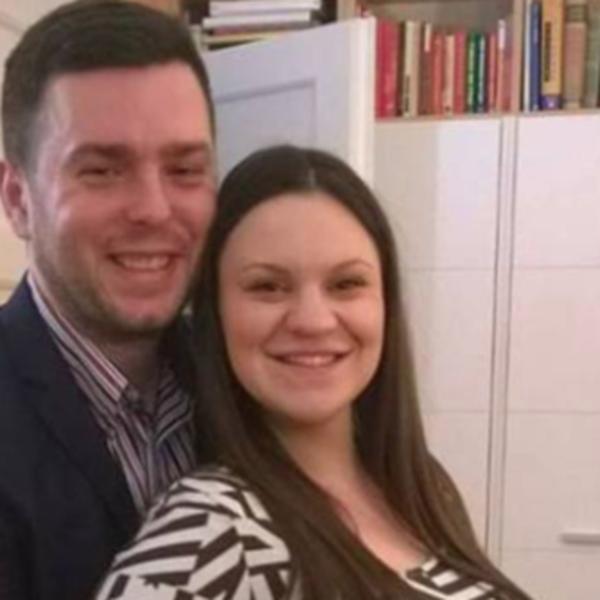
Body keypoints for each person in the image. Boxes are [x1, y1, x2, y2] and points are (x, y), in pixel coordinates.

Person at [96, 145, 532, 600]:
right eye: (267, 286)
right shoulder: (212, 531)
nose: (314, 321)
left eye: (346, 284)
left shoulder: (424, 489)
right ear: (215, 314)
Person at [0, 2, 216, 599]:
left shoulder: (245, 381)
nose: (153, 209)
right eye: (101, 170)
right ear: (18, 199)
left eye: (184, 169)